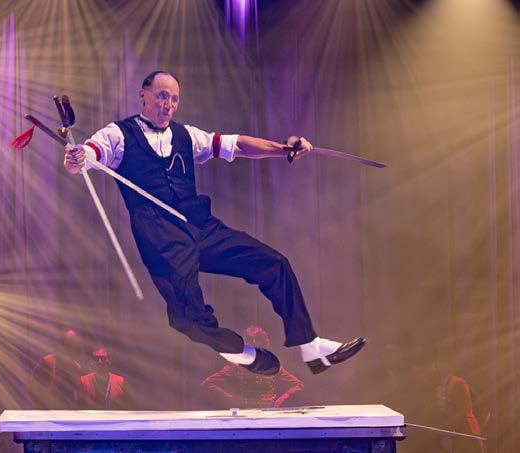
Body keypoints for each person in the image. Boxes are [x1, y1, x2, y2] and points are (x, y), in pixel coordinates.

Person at [63, 70, 365, 376]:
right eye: (162, 96)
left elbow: (238, 145)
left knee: (274, 263)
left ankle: (311, 347)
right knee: (190, 319)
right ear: (143, 95)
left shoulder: (187, 135)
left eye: (174, 99)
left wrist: (283, 149)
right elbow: (87, 155)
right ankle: (241, 353)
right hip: (161, 239)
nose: (168, 105)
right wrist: (77, 158)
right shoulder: (118, 134)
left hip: (201, 227)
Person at [202, 326, 304, 408]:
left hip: (267, 409)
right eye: (252, 340)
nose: (255, 343)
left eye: (258, 340)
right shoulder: (236, 366)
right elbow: (208, 382)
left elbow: (298, 384)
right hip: (246, 410)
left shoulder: (271, 366)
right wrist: (230, 398)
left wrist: (281, 399)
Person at [29, 328, 83, 409]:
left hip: (66, 408)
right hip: (48, 406)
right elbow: (34, 382)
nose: (70, 347)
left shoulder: (75, 366)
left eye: (73, 345)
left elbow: (77, 390)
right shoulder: (47, 361)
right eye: (68, 344)